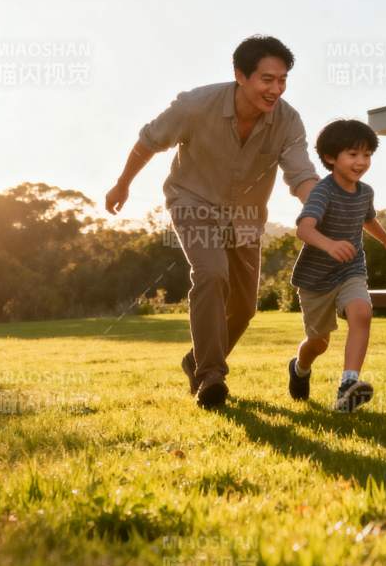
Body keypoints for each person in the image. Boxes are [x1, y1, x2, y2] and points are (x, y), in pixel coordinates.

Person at [106, 36, 318, 409]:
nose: (276, 89)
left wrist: (321, 208)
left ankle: (195, 360)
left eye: (282, 80)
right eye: (266, 79)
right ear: (240, 74)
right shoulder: (195, 105)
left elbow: (301, 174)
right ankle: (211, 377)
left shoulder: (288, 121)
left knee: (244, 308)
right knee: (211, 273)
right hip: (193, 201)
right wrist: (123, 183)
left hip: (247, 216)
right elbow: (148, 141)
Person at [288, 119, 386, 412]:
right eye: (353, 154)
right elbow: (304, 229)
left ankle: (348, 384)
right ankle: (300, 368)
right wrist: (329, 244)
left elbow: (367, 219)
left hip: (350, 270)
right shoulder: (322, 192)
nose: (361, 162)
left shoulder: (365, 192)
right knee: (318, 343)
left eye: (366, 155)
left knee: (362, 313)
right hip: (315, 279)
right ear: (330, 157)